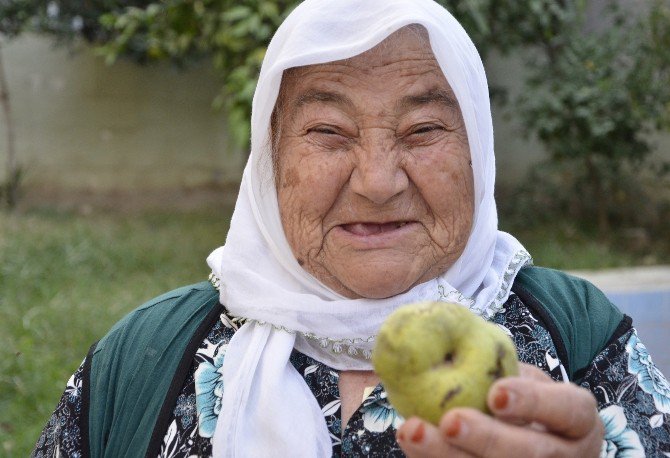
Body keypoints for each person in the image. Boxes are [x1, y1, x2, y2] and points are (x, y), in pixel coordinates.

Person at [34, 0, 670, 456]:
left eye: (423, 130)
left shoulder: (579, 335)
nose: (377, 181)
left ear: (478, 150)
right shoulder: (146, 356)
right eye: (328, 132)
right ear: (270, 159)